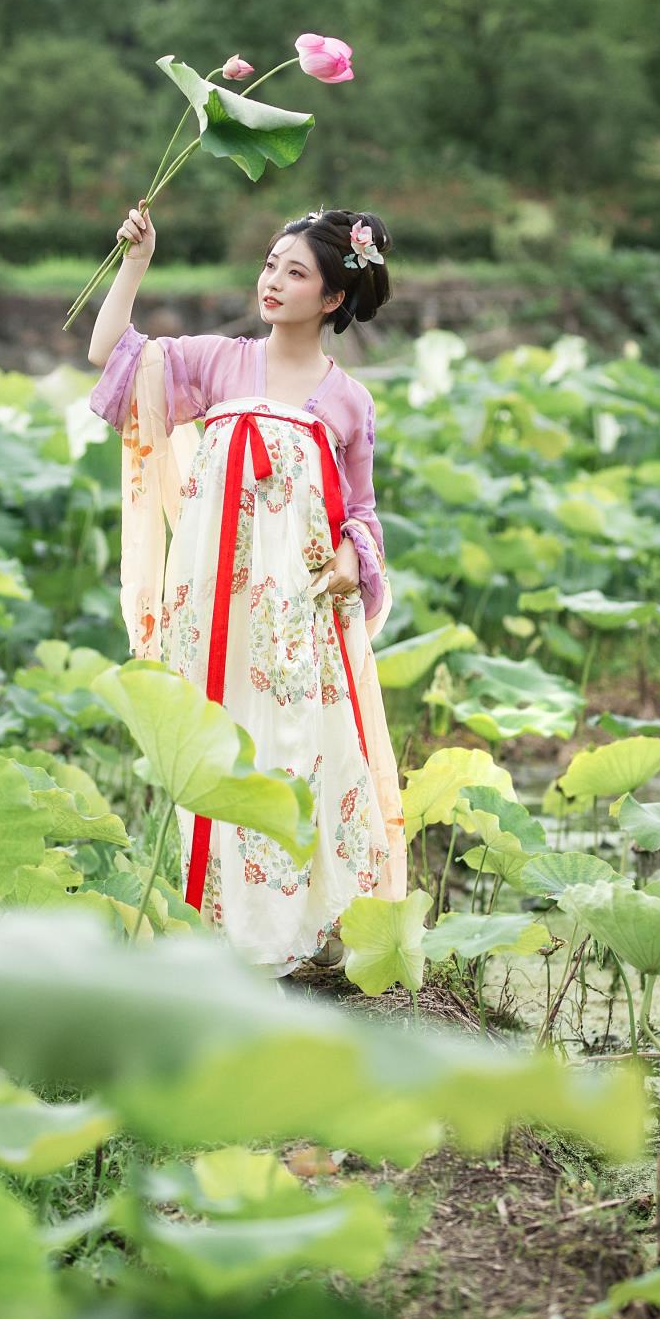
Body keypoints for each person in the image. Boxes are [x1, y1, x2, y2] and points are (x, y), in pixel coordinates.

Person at [86, 200, 407, 978]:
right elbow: (110, 354)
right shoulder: (218, 363)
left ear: (332, 298)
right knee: (218, 751)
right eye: (270, 264)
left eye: (294, 273)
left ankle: (294, 931)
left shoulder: (347, 402)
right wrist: (135, 261)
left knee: (293, 751)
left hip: (296, 618)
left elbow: (360, 514)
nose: (272, 281)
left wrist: (347, 561)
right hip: (214, 608)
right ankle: (212, 929)